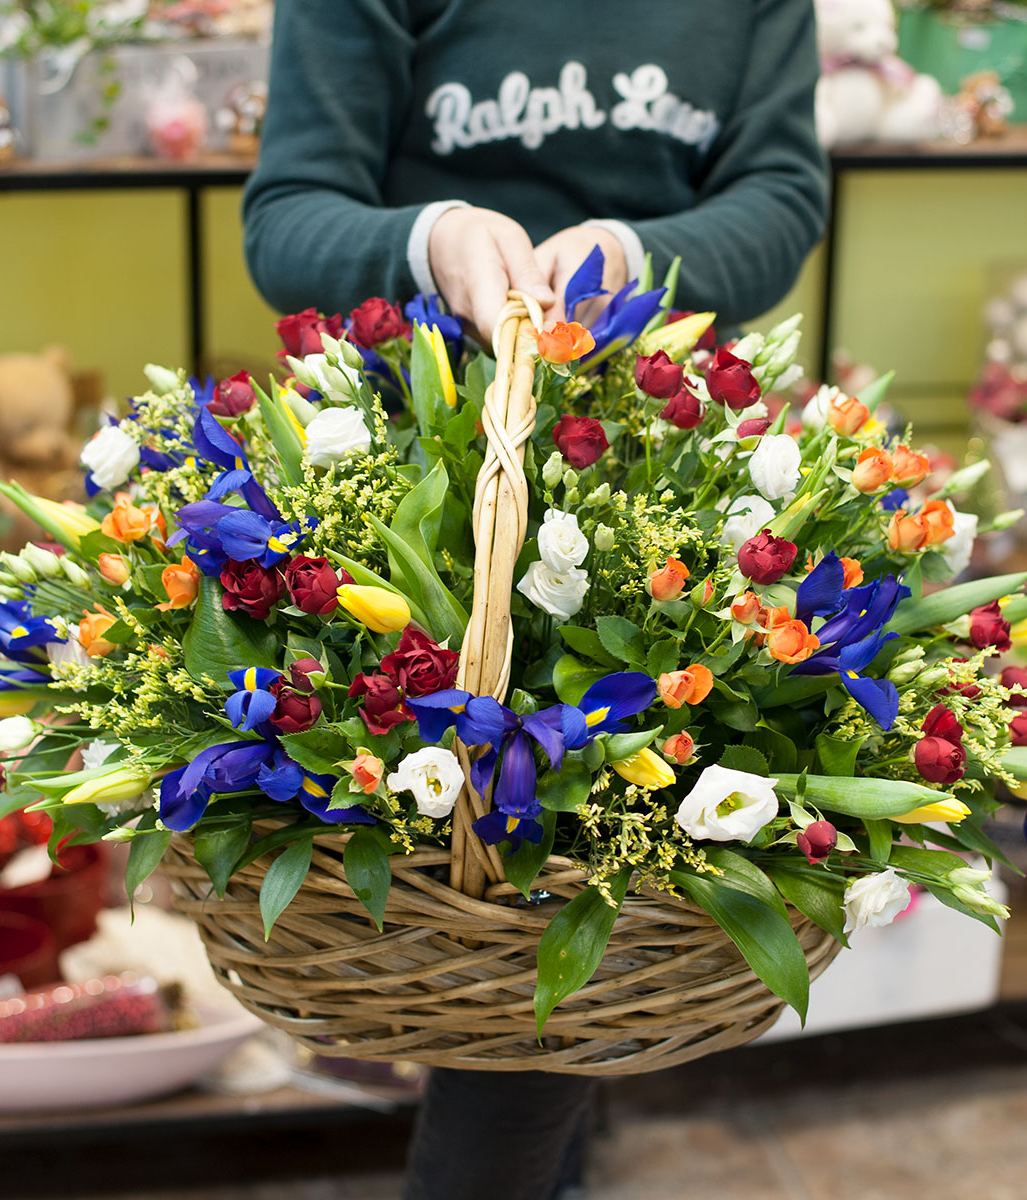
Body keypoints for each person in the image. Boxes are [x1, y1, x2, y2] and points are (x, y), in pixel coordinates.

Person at [242, 3, 828, 1197]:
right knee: (498, 888)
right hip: (416, 463)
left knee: (580, 877)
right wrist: (435, 238)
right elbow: (289, 215)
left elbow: (780, 197)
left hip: (668, 450)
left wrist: (626, 253)